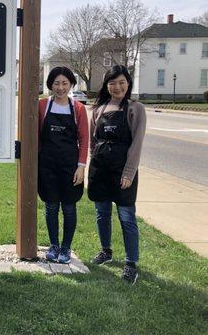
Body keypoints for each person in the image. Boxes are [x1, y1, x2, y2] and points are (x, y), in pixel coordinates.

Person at [88, 65, 146, 284]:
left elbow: (137, 144)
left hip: (123, 172)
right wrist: (94, 164)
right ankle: (106, 251)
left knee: (127, 217)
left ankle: (131, 263)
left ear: (128, 84)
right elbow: (94, 143)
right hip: (101, 170)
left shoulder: (135, 108)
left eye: (121, 82)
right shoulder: (99, 109)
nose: (117, 87)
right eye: (112, 83)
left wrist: (129, 173)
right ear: (106, 85)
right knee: (102, 213)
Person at [38, 66, 89, 264]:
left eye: (65, 83)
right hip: (47, 165)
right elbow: (35, 137)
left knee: (69, 208)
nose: (60, 87)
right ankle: (53, 245)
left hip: (70, 167)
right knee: (51, 207)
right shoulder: (42, 106)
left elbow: (84, 140)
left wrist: (81, 166)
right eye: (56, 83)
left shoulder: (78, 109)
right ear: (50, 85)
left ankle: (66, 247)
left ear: (71, 85)